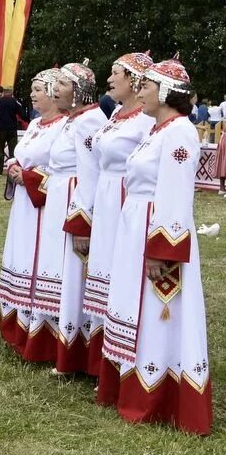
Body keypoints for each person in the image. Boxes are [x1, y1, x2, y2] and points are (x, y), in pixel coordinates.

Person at [98, 57, 212, 435]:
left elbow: (176, 194)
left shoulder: (179, 131)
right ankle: (132, 384)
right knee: (134, 306)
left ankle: (156, 396)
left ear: (164, 92)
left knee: (158, 311)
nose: (140, 92)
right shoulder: (158, 130)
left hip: (156, 231)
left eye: (146, 87)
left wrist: (163, 249)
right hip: (135, 227)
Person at [85, 53, 155, 390]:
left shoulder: (145, 120)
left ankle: (122, 364)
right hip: (106, 195)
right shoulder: (115, 113)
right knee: (102, 274)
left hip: (125, 198)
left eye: (115, 73)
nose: (109, 78)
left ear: (135, 80)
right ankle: (103, 361)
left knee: (120, 276)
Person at [0, 69, 68, 353]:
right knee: (23, 256)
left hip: (46, 207)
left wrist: (26, 177)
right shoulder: (36, 124)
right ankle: (19, 325)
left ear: (53, 92)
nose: (33, 94)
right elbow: (22, 153)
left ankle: (43, 332)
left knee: (42, 261)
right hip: (25, 207)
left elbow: (63, 171)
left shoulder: (65, 127)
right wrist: (13, 164)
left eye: (39, 89)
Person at [52, 61, 108, 375]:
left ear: (79, 89)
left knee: (79, 281)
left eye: (61, 83)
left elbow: (90, 175)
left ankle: (79, 354)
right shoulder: (74, 120)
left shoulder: (89, 122)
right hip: (67, 202)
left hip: (79, 206)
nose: (54, 90)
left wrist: (83, 221)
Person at [0, 85, 25, 174]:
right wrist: (28, 121)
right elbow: (22, 114)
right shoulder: (15, 102)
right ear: (11, 91)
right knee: (12, 150)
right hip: (12, 128)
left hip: (1, 128)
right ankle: (12, 169)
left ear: (4, 92)